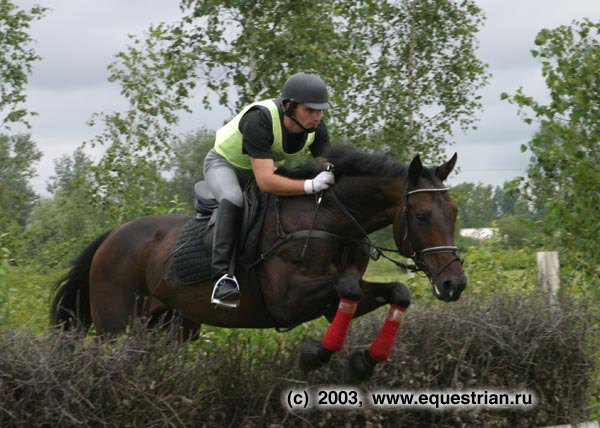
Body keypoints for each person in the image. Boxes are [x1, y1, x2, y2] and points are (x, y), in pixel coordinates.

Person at [203, 71, 335, 309]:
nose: (317, 116)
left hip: (263, 169)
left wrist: (334, 172)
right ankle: (222, 279)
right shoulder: (260, 119)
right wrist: (310, 185)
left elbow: (328, 163)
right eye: (310, 110)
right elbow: (265, 181)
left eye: (321, 110)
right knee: (233, 198)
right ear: (289, 106)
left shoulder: (316, 127)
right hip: (224, 165)